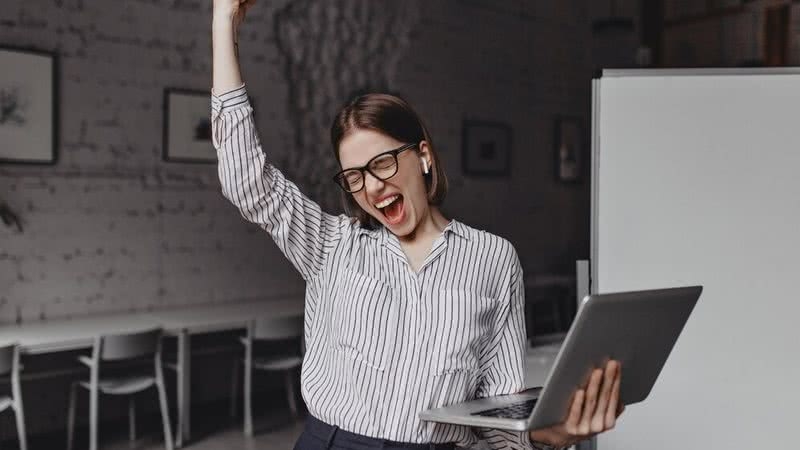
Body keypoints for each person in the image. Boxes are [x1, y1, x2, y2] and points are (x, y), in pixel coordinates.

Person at [211, 1, 623, 449]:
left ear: (423, 156)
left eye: (383, 163)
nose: (371, 187)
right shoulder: (331, 245)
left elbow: (497, 414)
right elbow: (247, 181)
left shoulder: (493, 259)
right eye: (355, 176)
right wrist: (223, 21)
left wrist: (552, 434)